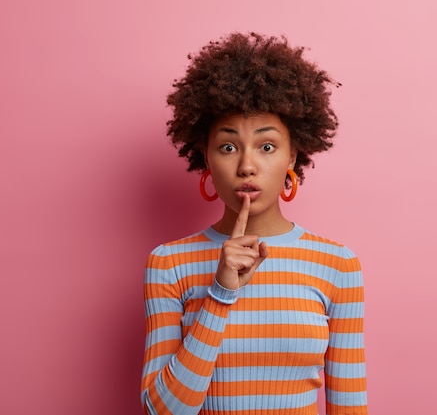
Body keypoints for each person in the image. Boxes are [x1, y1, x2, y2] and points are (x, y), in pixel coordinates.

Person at [141, 32, 367, 415]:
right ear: (206, 158)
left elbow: (349, 408)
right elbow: (161, 412)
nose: (247, 165)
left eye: (266, 146)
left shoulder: (338, 265)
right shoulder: (168, 264)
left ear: (292, 156)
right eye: (228, 147)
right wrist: (220, 293)